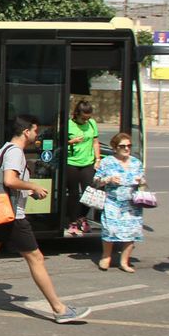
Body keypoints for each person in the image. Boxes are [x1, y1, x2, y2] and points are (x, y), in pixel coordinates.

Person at [0, 115, 92, 324]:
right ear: (26, 131)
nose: (36, 135)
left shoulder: (3, 150)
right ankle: (60, 309)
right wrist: (33, 186)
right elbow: (9, 180)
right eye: (35, 131)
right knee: (36, 258)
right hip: (12, 216)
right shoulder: (15, 153)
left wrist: (27, 191)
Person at [96, 133, 145, 272]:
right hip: (113, 201)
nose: (126, 148)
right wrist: (108, 179)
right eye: (122, 146)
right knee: (110, 229)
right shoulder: (107, 162)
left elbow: (143, 181)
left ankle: (124, 262)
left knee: (131, 231)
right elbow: (97, 180)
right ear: (115, 148)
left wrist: (141, 182)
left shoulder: (136, 163)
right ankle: (106, 257)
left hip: (132, 203)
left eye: (129, 146)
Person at [63, 100, 101, 236]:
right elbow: (60, 141)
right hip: (71, 162)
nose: (86, 120)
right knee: (73, 193)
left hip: (88, 162)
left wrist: (98, 159)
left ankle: (81, 217)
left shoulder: (92, 124)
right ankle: (73, 221)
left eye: (88, 117)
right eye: (83, 118)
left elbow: (95, 142)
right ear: (76, 114)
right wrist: (71, 141)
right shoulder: (69, 124)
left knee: (89, 193)